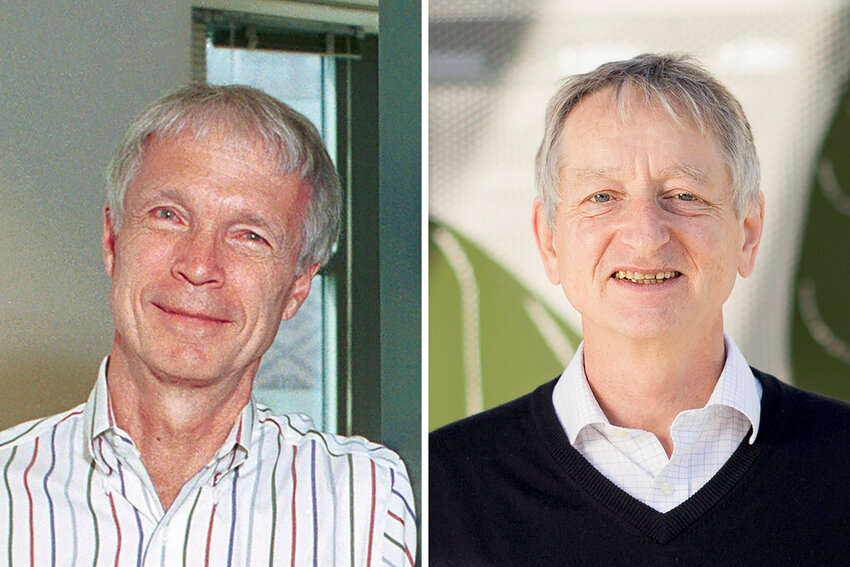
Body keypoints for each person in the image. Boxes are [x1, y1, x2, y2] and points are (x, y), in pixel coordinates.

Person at [430, 53, 850, 565]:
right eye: (603, 196)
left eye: (683, 195)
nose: (646, 236)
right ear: (549, 240)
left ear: (748, 232)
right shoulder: (440, 488)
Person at [0, 84, 415, 566]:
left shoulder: (367, 504)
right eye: (169, 215)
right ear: (113, 239)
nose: (199, 266)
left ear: (299, 283)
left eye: (249, 236)